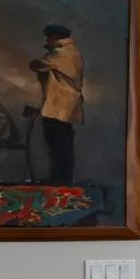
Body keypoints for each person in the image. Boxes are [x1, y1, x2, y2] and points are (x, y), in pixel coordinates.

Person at [29, 23, 83, 185]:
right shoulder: (69, 52)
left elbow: (37, 64)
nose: (47, 40)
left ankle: (60, 180)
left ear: (54, 37)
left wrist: (44, 55)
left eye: (48, 37)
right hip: (63, 105)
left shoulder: (62, 53)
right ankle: (59, 178)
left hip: (60, 106)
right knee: (60, 144)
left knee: (58, 143)